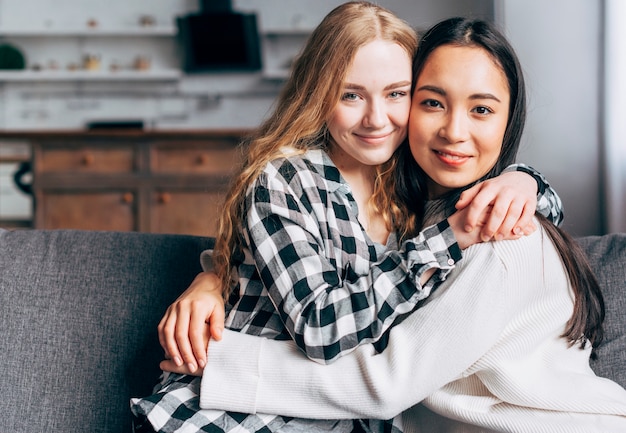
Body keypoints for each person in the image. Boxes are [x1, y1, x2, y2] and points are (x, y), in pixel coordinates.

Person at [131, 3, 564, 432]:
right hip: (232, 414)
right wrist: (213, 278)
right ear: (319, 96)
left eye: (396, 94)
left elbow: (535, 216)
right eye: (351, 95)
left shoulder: (410, 182)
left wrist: (525, 181)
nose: (376, 119)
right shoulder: (288, 178)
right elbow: (320, 325)